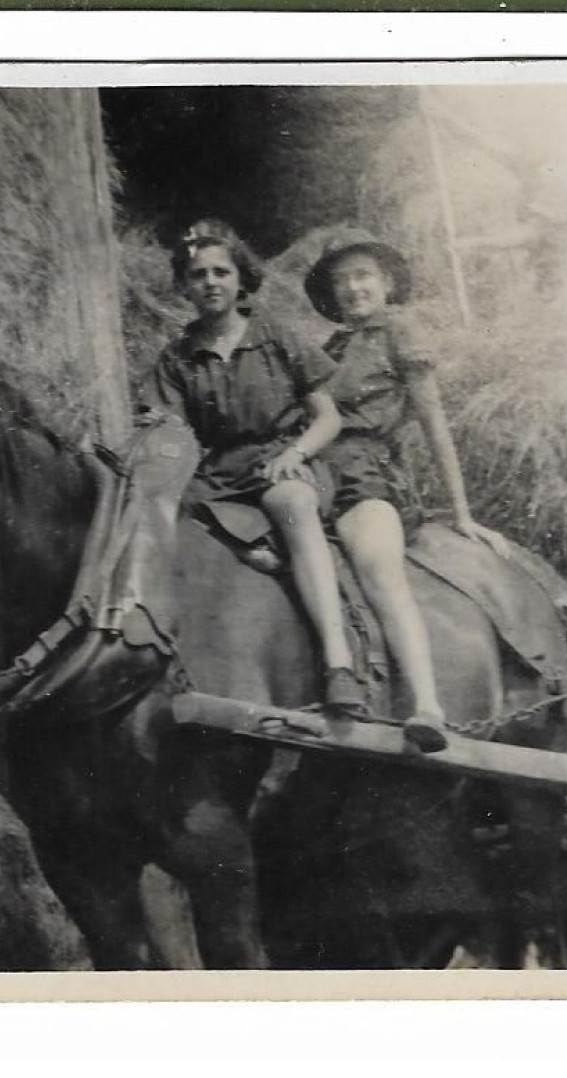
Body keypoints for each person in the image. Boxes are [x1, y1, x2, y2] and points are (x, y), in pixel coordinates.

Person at [141, 220, 370, 722]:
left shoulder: (275, 335)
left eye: (221, 271)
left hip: (281, 460)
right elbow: (170, 431)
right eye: (197, 274)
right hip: (216, 474)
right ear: (184, 286)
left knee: (292, 504)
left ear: (241, 279)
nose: (210, 282)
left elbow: (328, 416)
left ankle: (338, 662)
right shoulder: (178, 358)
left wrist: (297, 455)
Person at [304, 229, 509, 753]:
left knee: (377, 568)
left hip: (366, 478)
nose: (353, 288)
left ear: (386, 282)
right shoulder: (327, 350)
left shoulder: (400, 332)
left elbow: (434, 422)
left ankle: (427, 706)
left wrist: (463, 514)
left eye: (362, 275)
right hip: (317, 476)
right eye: (341, 279)